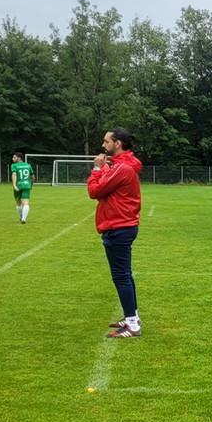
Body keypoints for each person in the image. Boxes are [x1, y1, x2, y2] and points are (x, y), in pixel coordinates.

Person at [87, 128, 143, 339]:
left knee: (121, 276)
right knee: (124, 275)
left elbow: (95, 191)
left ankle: (132, 325)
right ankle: (133, 317)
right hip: (119, 224)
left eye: (106, 141)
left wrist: (96, 169)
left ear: (117, 143)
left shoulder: (122, 168)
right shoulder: (121, 166)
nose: (103, 145)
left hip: (119, 226)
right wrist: (103, 171)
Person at [9, 153, 33, 224]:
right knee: (26, 203)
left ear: (19, 158)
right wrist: (31, 185)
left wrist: (14, 185)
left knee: (18, 203)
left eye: (14, 157)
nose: (12, 159)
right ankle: (24, 219)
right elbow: (33, 177)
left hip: (18, 186)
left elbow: (14, 174)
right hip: (26, 185)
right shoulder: (28, 165)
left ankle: (21, 216)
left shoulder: (14, 165)